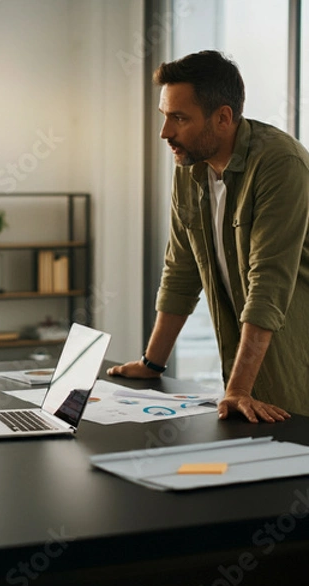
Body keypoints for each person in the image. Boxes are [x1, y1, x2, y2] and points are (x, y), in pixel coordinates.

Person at [109, 50, 309, 423]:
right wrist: (153, 363)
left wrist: (238, 390)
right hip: (246, 381)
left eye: (179, 118)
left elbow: (268, 283)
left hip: (295, 371)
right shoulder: (189, 169)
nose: (165, 132)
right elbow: (180, 270)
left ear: (223, 118)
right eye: (165, 117)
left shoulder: (280, 165)